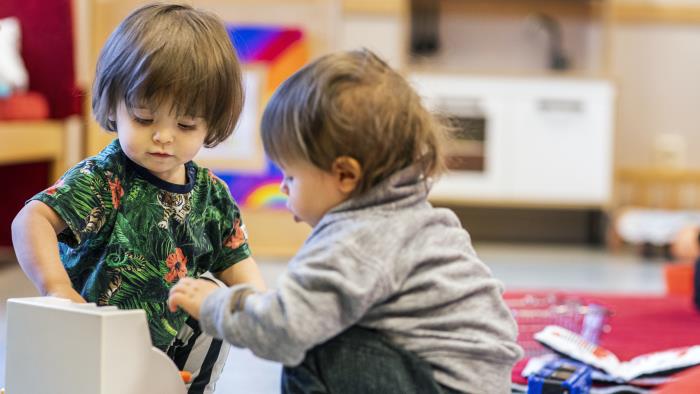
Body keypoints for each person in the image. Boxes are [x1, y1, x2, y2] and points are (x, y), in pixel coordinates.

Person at [169, 49, 523, 393]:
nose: (282, 187)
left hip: (439, 384)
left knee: (312, 348)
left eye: (291, 176)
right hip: (469, 379)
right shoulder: (416, 217)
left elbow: (286, 329)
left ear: (345, 175)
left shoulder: (359, 238)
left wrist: (213, 306)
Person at [11, 4, 265, 393]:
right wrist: (57, 288)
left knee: (216, 297)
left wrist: (265, 313)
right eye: (144, 119)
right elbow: (31, 220)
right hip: (88, 347)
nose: (163, 136)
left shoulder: (213, 195)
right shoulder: (103, 177)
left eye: (184, 124)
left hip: (165, 359)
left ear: (211, 122)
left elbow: (242, 269)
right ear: (114, 106)